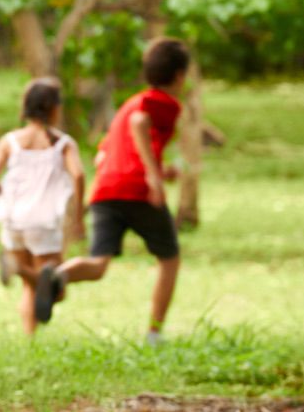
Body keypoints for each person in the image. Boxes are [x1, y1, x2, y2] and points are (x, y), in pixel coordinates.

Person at [34, 38, 191, 346]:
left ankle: (58, 275)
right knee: (169, 259)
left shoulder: (128, 104)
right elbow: (140, 123)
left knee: (98, 264)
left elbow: (103, 155)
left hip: (105, 190)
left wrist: (159, 170)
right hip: (138, 190)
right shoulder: (161, 102)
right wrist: (153, 178)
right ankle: (154, 333)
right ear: (180, 75)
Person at [0, 77, 84, 334]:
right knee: (56, 290)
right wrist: (79, 214)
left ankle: (30, 340)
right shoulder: (63, 144)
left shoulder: (10, 141)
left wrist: (7, 196)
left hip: (13, 219)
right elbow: (79, 175)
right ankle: (17, 269)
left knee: (32, 286)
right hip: (44, 222)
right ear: (55, 108)